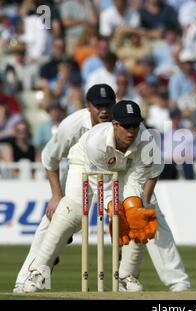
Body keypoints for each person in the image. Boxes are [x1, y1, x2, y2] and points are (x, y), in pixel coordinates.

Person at [22, 100, 158, 292]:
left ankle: (127, 276)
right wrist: (113, 211)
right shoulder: (96, 143)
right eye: (126, 126)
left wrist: (133, 207)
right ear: (115, 124)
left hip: (124, 168)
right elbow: (103, 185)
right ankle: (37, 272)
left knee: (137, 217)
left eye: (135, 125)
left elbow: (136, 181)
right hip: (85, 161)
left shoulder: (146, 142)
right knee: (71, 213)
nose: (131, 131)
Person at [13, 84, 116, 293]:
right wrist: (56, 195)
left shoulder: (120, 121)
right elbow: (49, 158)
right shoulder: (72, 125)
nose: (103, 110)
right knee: (62, 215)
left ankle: (122, 277)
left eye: (108, 105)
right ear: (88, 106)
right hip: (79, 163)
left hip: (112, 166)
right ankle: (26, 280)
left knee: (122, 214)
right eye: (98, 106)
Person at [119, 163, 191, 292]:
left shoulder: (150, 147)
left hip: (140, 180)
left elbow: (153, 173)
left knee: (152, 221)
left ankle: (177, 281)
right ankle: (125, 277)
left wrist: (145, 205)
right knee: (130, 226)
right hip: (115, 179)